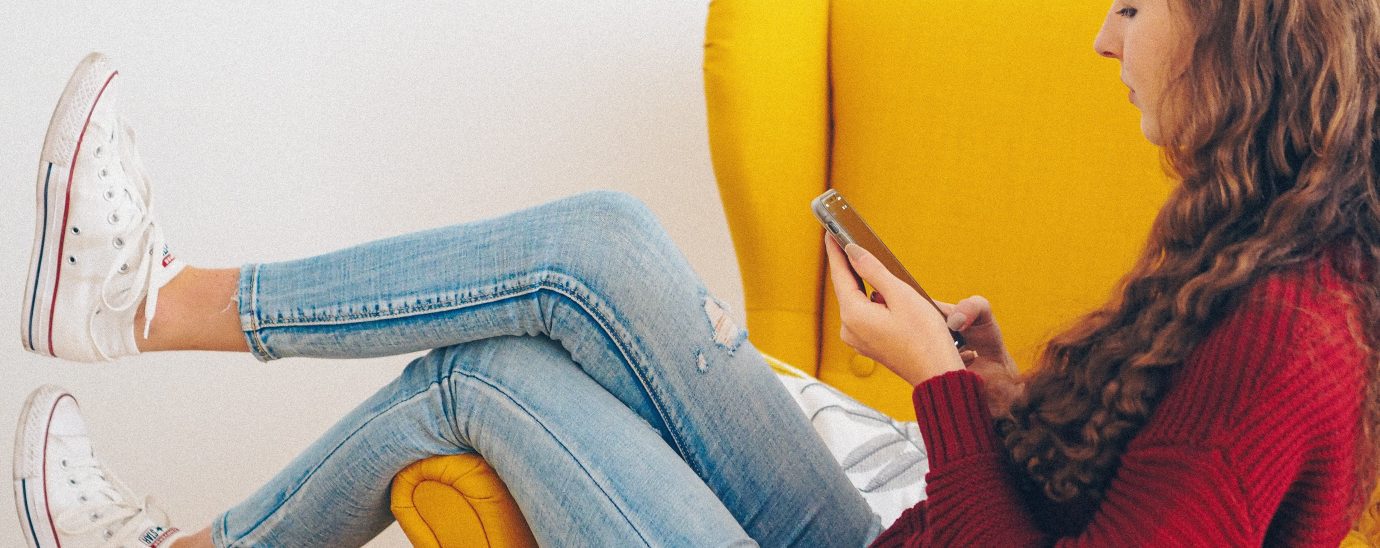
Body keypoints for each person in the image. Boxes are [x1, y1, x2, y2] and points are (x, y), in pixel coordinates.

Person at [13, 0, 1380, 545]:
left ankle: (154, 379)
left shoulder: (1286, 330)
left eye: (1136, 8)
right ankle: (149, 304)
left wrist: (935, 394)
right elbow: (1135, 507)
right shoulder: (1253, 251)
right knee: (600, 240)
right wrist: (998, 389)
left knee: (481, 381)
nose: (1101, 38)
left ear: (1240, 35)